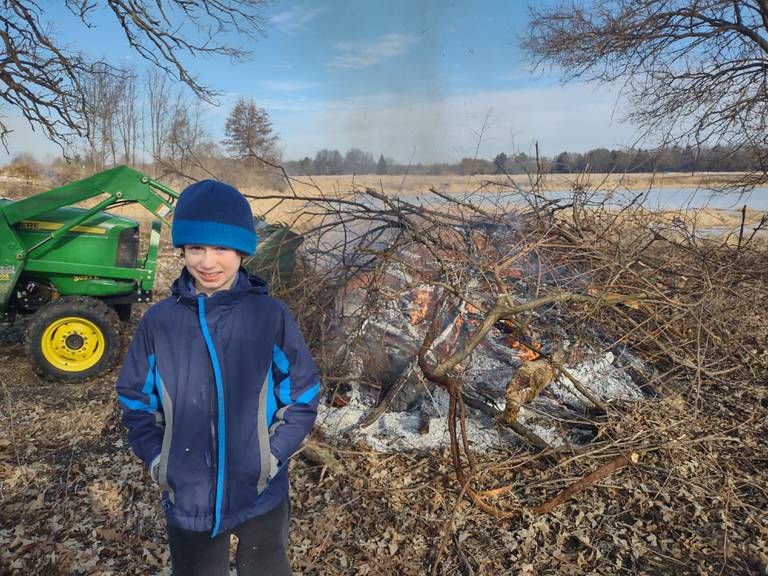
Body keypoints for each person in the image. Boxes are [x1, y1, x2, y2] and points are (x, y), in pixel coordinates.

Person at [115, 180, 320, 575]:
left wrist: (271, 457)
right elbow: (135, 397)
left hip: (260, 488)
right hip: (189, 494)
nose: (208, 263)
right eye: (196, 248)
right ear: (183, 250)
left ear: (242, 250)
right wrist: (160, 460)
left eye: (222, 248)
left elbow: (302, 392)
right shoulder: (160, 322)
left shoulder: (270, 316)